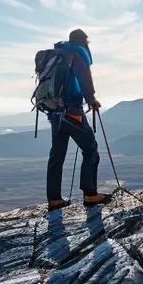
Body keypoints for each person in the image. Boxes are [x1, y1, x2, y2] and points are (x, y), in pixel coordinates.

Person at [46, 29, 112, 211]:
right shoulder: (77, 53)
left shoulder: (58, 55)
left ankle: (54, 199)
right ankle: (90, 194)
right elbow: (84, 78)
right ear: (84, 41)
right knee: (90, 150)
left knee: (57, 155)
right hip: (72, 111)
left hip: (54, 113)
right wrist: (91, 99)